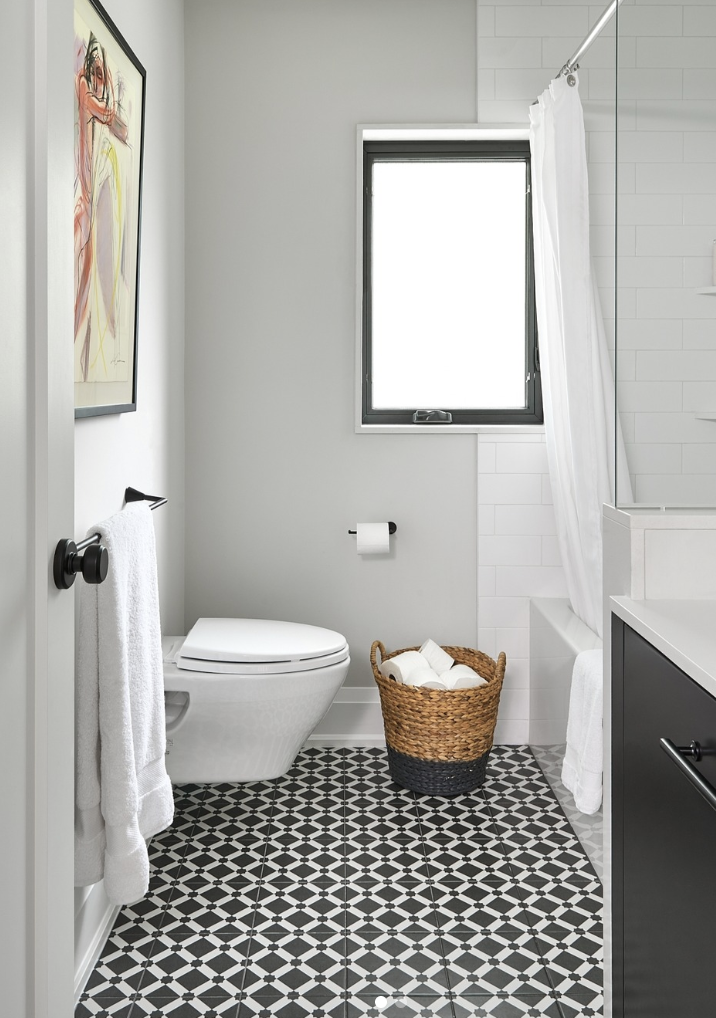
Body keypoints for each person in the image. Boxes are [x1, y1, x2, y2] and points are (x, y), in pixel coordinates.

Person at [74, 33, 128, 380]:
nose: (97, 78)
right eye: (94, 70)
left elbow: (120, 127)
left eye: (100, 73)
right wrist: (109, 80)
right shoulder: (82, 87)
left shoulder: (89, 89)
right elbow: (110, 115)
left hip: (90, 201)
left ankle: (78, 351)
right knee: (80, 283)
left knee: (88, 280)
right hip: (84, 200)